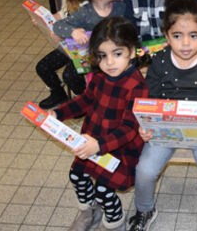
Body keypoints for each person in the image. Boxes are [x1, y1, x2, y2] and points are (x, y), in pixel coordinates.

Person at [129, 0, 197, 231]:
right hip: (165, 127)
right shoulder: (160, 60)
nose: (186, 43)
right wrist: (145, 126)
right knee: (144, 170)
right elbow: (150, 97)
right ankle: (145, 209)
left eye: (193, 35)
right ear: (166, 36)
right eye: (177, 35)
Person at [51, 16, 149, 231]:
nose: (109, 63)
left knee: (104, 190)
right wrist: (58, 114)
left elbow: (129, 128)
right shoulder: (98, 76)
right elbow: (84, 101)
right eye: (102, 56)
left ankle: (114, 223)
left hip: (119, 148)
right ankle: (89, 212)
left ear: (132, 52)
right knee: (76, 175)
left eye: (117, 54)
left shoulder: (137, 85)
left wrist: (99, 145)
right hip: (93, 140)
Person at [36, 0, 98, 109]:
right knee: (43, 67)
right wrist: (45, 20)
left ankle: (85, 102)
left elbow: (92, 30)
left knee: (70, 75)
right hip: (69, 44)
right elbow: (63, 14)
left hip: (88, 48)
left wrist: (65, 32)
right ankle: (58, 94)